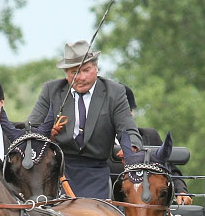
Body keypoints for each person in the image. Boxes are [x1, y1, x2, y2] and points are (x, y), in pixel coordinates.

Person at [27, 40, 143, 199]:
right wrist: (46, 133)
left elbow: (128, 130)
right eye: (74, 72)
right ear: (66, 74)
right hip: (56, 170)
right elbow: (31, 127)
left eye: (86, 70)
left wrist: (131, 148)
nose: (80, 77)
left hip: (95, 171)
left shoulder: (114, 92)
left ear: (96, 68)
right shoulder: (51, 90)